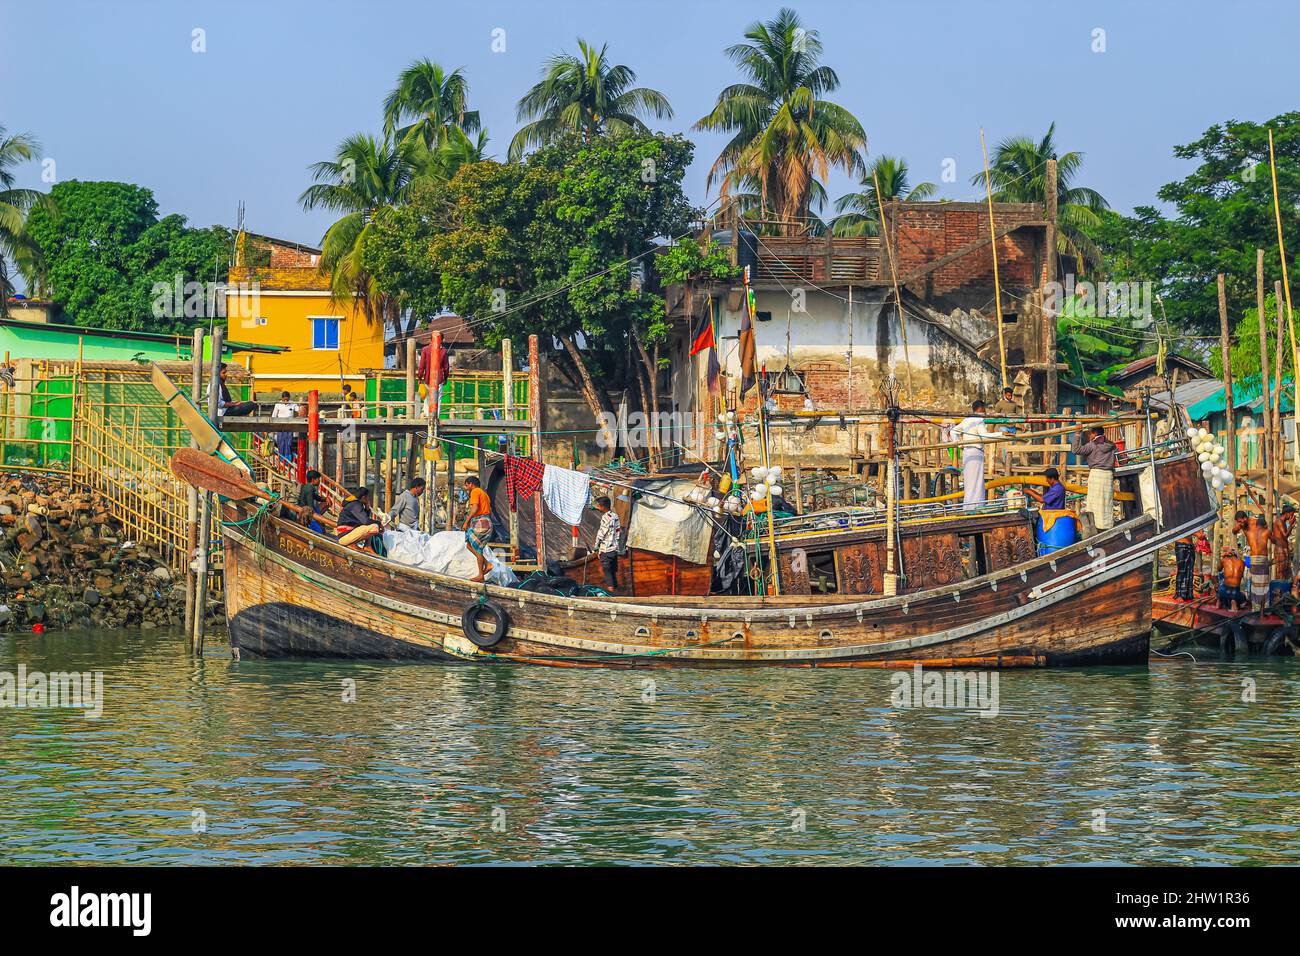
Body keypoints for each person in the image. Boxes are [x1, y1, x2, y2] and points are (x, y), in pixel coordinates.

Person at [952, 400, 1005, 506]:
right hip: (976, 453)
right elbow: (985, 436)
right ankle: (976, 506)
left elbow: (953, 431)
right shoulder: (979, 420)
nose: (985, 412)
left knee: (969, 481)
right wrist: (1001, 434)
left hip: (967, 453)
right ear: (980, 409)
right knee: (977, 481)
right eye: (984, 409)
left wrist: (959, 445)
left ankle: (969, 506)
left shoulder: (967, 420)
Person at [1072, 425, 1118, 532]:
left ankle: (1095, 526)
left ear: (1095, 434)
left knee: (1094, 503)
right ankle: (1106, 525)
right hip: (1107, 476)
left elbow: (1075, 450)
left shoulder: (1092, 445)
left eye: (1091, 433)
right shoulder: (1111, 445)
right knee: (1106, 502)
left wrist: (1077, 434)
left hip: (1096, 475)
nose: (1090, 435)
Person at [336, 486, 385, 554]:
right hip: (344, 537)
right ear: (364, 497)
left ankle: (367, 546)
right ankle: (353, 544)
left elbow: (364, 520)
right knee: (375, 526)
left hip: (346, 535)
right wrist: (379, 523)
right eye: (368, 497)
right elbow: (366, 521)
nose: (368, 499)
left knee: (371, 525)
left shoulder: (355, 503)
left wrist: (367, 507)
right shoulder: (355, 504)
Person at [592, 496, 622, 592]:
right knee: (612, 573)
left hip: (606, 549)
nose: (597, 508)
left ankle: (611, 593)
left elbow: (601, 534)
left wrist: (596, 547)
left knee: (608, 573)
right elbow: (618, 532)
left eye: (598, 506)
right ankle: (615, 593)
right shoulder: (615, 516)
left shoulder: (605, 517)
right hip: (614, 549)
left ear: (603, 507)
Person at [1245, 514, 1272, 610]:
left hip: (1252, 560)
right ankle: (1264, 607)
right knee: (1264, 583)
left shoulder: (1249, 533)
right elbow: (1274, 540)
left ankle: (1255, 607)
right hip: (1262, 560)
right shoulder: (1267, 531)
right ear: (1265, 525)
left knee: (1254, 584)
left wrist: (1248, 564)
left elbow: (1247, 552)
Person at [461, 475, 492, 543]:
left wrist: (466, 522)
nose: (466, 488)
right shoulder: (484, 494)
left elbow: (475, 508)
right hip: (487, 522)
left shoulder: (475, 491)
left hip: (480, 522)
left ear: (471, 484)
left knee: (470, 545)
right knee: (477, 546)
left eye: (467, 485)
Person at [1270, 503, 1297, 580]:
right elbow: (1285, 535)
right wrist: (1291, 525)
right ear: (1287, 513)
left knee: (1286, 571)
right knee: (1280, 571)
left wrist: (1291, 526)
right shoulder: (1279, 521)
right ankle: (1279, 587)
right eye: (1292, 514)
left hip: (1284, 548)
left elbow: (1285, 536)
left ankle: (1284, 586)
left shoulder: (1284, 522)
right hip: (1280, 549)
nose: (1292, 516)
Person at [271, 391, 298, 461]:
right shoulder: (278, 404)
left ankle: (288, 459)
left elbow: (299, 410)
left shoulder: (293, 404)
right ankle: (281, 459)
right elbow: (274, 415)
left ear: (289, 398)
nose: (286, 401)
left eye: (287, 400)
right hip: (280, 425)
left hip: (289, 426)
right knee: (281, 442)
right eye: (284, 400)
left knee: (289, 442)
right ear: (282, 398)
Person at [1173, 533, 1196, 601]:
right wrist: (1197, 533)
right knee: (1182, 570)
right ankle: (1179, 594)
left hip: (1190, 545)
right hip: (1181, 544)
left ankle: (1188, 594)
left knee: (1190, 570)